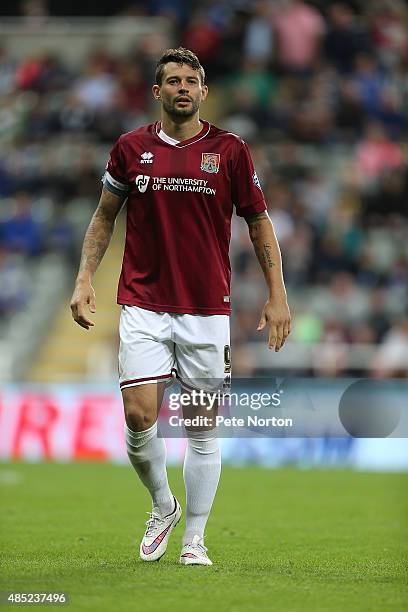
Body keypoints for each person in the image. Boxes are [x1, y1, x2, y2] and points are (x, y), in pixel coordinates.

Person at [70, 48, 291, 566]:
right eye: (173, 80)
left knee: (200, 426)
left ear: (204, 92)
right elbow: (104, 217)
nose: (183, 88)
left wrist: (277, 294)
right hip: (144, 303)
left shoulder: (231, 150)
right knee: (138, 414)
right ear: (157, 91)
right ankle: (163, 504)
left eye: (192, 80)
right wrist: (84, 279)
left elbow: (258, 221)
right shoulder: (130, 148)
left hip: (206, 308)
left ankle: (195, 538)